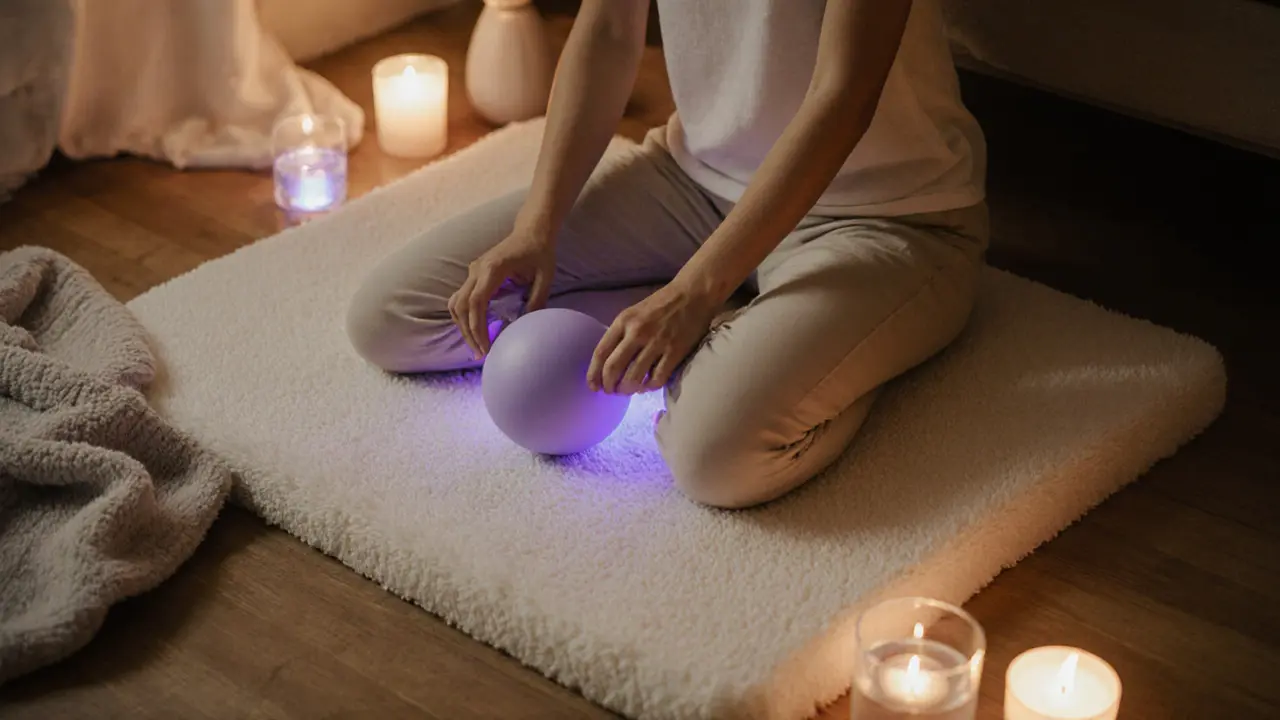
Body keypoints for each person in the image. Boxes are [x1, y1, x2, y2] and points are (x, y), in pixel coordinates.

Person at [346, 0, 988, 509]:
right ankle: (738, 310)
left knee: (715, 458)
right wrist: (536, 225)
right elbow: (607, 33)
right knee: (396, 317)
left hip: (883, 214)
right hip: (693, 180)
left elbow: (843, 93)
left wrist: (696, 293)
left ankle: (830, 350)